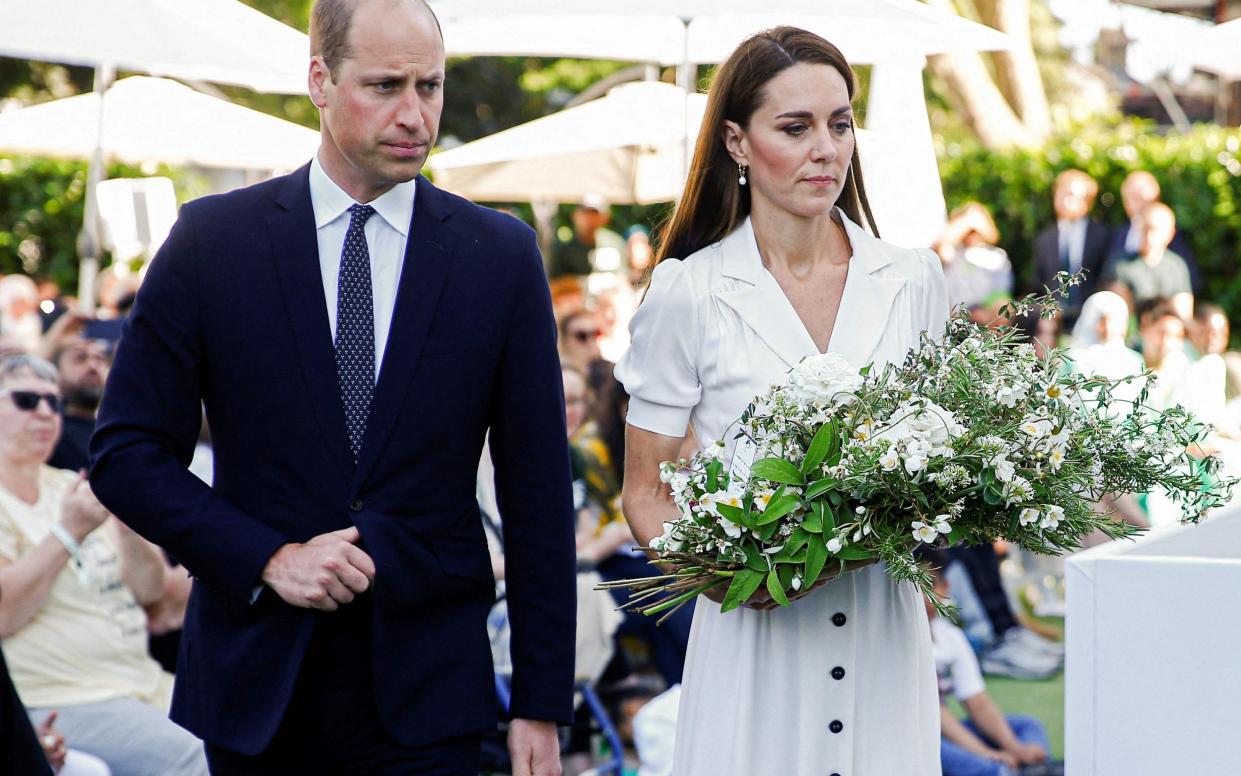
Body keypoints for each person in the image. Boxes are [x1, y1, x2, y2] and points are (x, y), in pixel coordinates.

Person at [88, 1, 576, 773]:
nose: (415, 114)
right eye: (385, 86)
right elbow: (125, 452)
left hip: (431, 689)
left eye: (431, 86)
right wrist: (268, 556)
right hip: (258, 684)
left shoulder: (498, 255)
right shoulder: (213, 243)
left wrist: (542, 705)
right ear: (319, 79)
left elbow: (539, 494)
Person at [615, 27, 945, 775]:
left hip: (882, 634)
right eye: (793, 128)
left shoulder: (913, 279)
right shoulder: (688, 292)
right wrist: (733, 576)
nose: (824, 148)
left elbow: (936, 461)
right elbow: (645, 492)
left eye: (839, 123)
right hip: (754, 646)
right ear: (736, 141)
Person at [0, 355, 205, 776]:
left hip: (139, 684)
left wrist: (130, 530)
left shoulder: (71, 486)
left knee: (261, 736)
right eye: (25, 400)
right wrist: (68, 533)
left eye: (53, 403)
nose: (43, 412)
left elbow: (151, 595)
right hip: (59, 698)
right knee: (198, 758)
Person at [917, 549, 1060, 776]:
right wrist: (986, 752)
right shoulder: (903, 643)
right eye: (914, 587)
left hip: (949, 732)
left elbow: (977, 702)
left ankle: (1031, 767)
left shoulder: (949, 637)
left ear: (946, 587)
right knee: (934, 749)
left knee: (1026, 725)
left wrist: (1014, 747)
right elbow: (937, 716)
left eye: (930, 584)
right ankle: (1003, 771)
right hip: (918, 737)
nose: (923, 595)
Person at [1030, 169, 1111, 329]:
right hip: (1051, 322)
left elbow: (1106, 277)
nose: (1065, 200)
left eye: (1071, 194)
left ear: (1087, 201)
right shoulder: (1044, 239)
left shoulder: (1102, 235)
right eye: (1061, 193)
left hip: (1091, 318)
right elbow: (1037, 283)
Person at [1105, 171, 1199, 292]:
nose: (1135, 203)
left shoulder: (1169, 231)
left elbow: (1187, 277)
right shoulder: (1118, 234)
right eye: (1130, 197)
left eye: (1140, 197)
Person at [1102, 202, 1193, 322]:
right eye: (1144, 228)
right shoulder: (1121, 264)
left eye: (1154, 229)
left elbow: (1183, 314)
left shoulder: (1176, 266)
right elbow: (1120, 313)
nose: (1148, 235)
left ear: (1170, 233)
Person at [932, 202, 1013, 311]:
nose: (972, 234)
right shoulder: (953, 253)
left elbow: (1002, 295)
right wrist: (967, 221)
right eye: (969, 231)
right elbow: (942, 245)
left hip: (986, 318)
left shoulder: (997, 256)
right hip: (956, 318)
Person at [547, 194, 626, 279]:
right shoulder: (564, 250)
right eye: (586, 213)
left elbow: (624, 278)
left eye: (594, 214)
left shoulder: (615, 243)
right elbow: (555, 284)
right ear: (575, 215)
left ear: (605, 217)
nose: (590, 219)